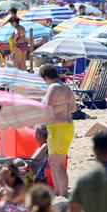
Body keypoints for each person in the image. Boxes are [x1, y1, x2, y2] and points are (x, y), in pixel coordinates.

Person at [39, 64, 76, 198]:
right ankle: (57, 192)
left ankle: (63, 193)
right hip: (67, 127)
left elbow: (46, 107)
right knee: (54, 161)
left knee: (58, 163)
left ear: (46, 77)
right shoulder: (66, 88)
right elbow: (73, 108)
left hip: (58, 128)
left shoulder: (53, 87)